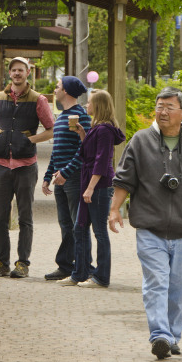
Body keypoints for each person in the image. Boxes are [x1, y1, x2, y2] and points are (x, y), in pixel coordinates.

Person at [108, 86, 182, 359]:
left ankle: (173, 336)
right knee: (156, 282)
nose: (163, 111)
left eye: (169, 107)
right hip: (150, 225)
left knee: (180, 288)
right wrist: (114, 209)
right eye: (159, 106)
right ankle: (160, 335)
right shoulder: (141, 140)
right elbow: (125, 178)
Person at [0, 57, 54, 278]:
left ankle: (22, 263)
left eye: (21, 70)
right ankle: (1, 262)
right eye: (14, 70)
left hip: (26, 166)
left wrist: (30, 141)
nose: (17, 73)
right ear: (9, 73)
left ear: (28, 73)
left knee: (25, 216)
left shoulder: (38, 100)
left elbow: (51, 130)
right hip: (1, 165)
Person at [58, 89, 125, 288]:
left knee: (99, 232)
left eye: (89, 102)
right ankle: (79, 273)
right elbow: (88, 152)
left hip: (98, 187)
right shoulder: (97, 128)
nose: (86, 106)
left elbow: (101, 161)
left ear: (99, 106)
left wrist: (90, 188)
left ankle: (101, 277)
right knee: (79, 228)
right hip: (90, 184)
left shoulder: (104, 130)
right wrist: (82, 134)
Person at [42, 76, 91, 281]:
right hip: (59, 178)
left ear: (67, 91)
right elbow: (57, 150)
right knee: (65, 224)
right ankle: (67, 265)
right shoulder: (61, 117)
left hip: (73, 178)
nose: (55, 89)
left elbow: (85, 149)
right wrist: (47, 176)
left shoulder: (81, 116)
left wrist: (66, 172)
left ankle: (83, 267)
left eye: (58, 86)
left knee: (78, 223)